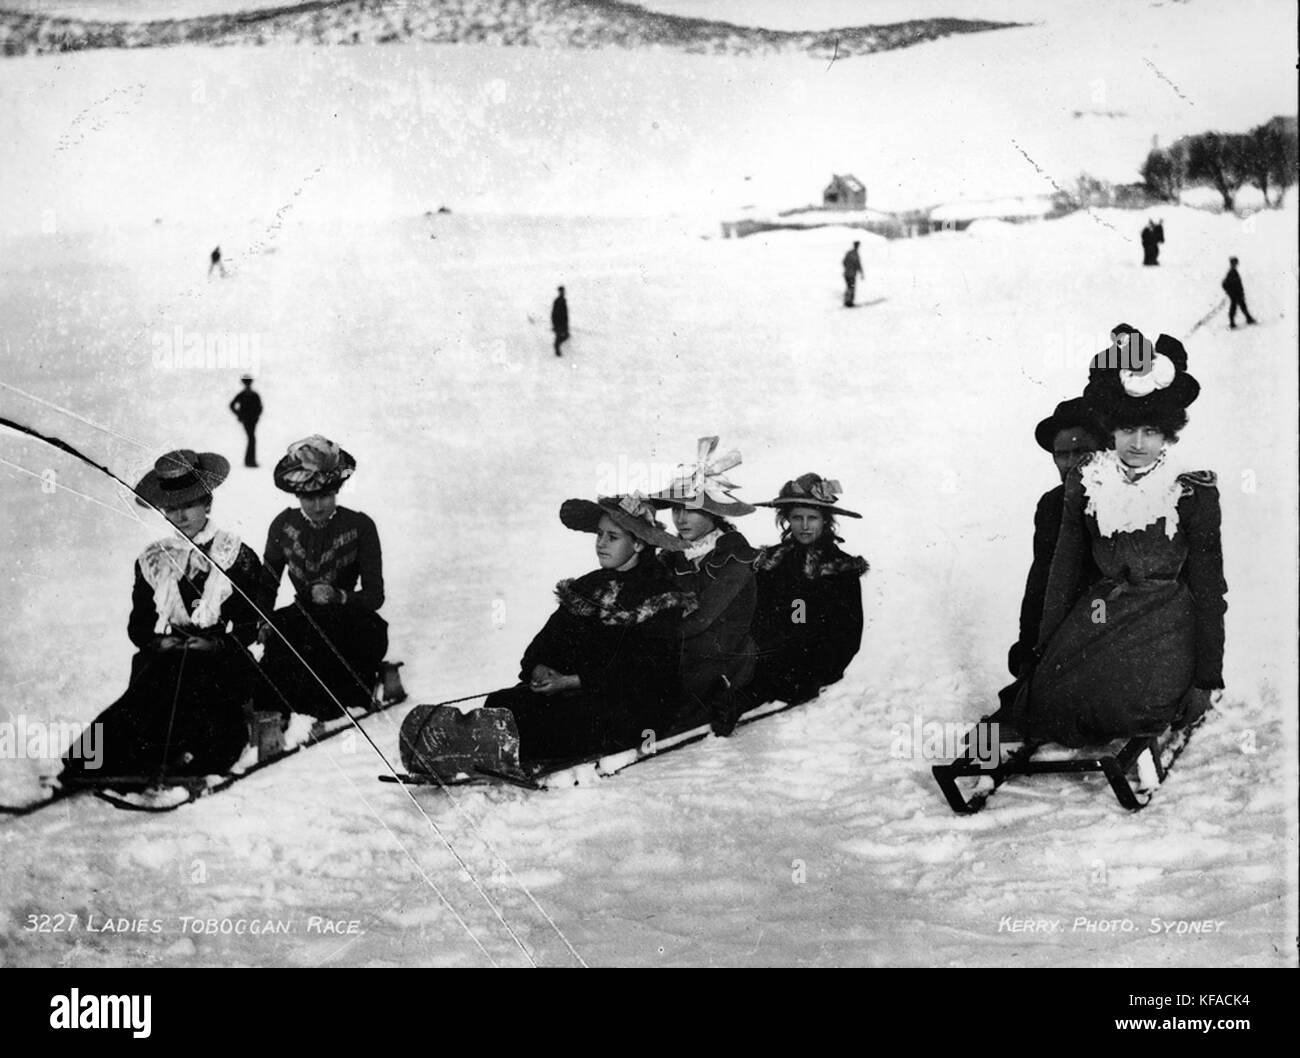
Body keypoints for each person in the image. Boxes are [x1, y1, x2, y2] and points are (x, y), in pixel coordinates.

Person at [1016, 327, 1227, 746]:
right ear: (1111, 432)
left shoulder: (1189, 491)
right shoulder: (1088, 482)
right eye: (1128, 430)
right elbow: (1059, 575)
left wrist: (1206, 678)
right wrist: (1042, 651)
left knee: (1122, 705)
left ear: (1168, 435)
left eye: (1150, 432)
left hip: (1167, 620)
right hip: (1102, 611)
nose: (1137, 443)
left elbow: (1208, 587)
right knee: (1051, 700)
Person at [442, 495, 696, 771]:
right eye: (599, 534)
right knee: (504, 702)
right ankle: (471, 745)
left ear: (638, 543)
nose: (600, 543)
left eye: (612, 537)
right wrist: (539, 667)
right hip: (576, 692)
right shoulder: (589, 586)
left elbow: (643, 672)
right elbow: (549, 639)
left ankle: (485, 751)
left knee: (563, 720)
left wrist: (574, 681)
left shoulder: (659, 594)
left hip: (629, 706)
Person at [60, 450, 263, 786]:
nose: (180, 516)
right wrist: (159, 640)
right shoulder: (154, 559)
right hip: (173, 655)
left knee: (196, 688)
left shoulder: (235, 554)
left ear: (207, 504)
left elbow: (247, 624)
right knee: (147, 691)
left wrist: (213, 643)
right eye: (171, 508)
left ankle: (185, 761)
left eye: (189, 505)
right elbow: (139, 626)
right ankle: (94, 763)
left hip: (222, 660)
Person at [257, 436, 388, 722]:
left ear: (336, 491)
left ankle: (325, 708)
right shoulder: (283, 525)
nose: (317, 506)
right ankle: (283, 715)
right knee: (282, 644)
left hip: (347, 617)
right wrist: (264, 618)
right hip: (303, 617)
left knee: (334, 648)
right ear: (297, 496)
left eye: (325, 496)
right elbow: (268, 581)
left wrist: (339, 596)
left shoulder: (360, 526)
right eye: (308, 497)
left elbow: (374, 596)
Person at [648, 436, 760, 736]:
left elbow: (702, 617)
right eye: (675, 509)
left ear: (713, 511)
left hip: (723, 657)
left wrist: (654, 640)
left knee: (651, 691)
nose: (680, 518)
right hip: (684, 650)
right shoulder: (673, 554)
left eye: (690, 509)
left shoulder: (734, 557)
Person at [1005, 397, 1103, 684]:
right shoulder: (1052, 505)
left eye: (1082, 451)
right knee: (994, 728)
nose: (1071, 464)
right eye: (1062, 454)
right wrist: (1027, 651)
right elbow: (1040, 580)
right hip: (1059, 647)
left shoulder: (1132, 502)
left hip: (1116, 642)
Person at [750, 474, 869, 706]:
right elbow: (759, 617)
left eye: (812, 518)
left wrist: (817, 675)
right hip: (769, 661)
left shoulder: (840, 568)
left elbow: (848, 634)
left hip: (816, 667)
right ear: (787, 520)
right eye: (797, 518)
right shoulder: (771, 562)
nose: (804, 526)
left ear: (825, 521)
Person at [228, 375, 262, 468]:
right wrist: (239, 414)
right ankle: (250, 462)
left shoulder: (252, 395)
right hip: (247, 420)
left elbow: (259, 407)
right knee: (252, 439)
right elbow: (232, 405)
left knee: (251, 439)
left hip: (251, 420)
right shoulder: (244, 394)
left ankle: (250, 461)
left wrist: (255, 416)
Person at [1222, 257, 1256, 328]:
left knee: (1242, 306)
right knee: (1235, 307)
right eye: (1235, 263)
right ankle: (1233, 323)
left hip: (1237, 294)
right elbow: (1225, 284)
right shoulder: (1231, 272)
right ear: (1232, 264)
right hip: (1235, 294)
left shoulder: (1233, 271)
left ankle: (1248, 319)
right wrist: (1230, 292)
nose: (1236, 264)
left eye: (1236, 263)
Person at [842, 241, 864, 306]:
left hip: (846, 273)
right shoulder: (855, 254)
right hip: (851, 274)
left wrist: (847, 267)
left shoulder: (849, 253)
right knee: (851, 287)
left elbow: (844, 262)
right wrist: (861, 273)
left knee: (849, 287)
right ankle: (849, 302)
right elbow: (858, 265)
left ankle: (847, 300)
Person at [551, 285, 570, 357]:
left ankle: (557, 349)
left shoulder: (563, 300)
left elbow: (565, 314)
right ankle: (557, 351)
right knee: (559, 337)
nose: (563, 293)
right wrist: (555, 325)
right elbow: (554, 314)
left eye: (563, 291)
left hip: (563, 324)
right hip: (559, 323)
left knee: (566, 336)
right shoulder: (558, 301)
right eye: (561, 291)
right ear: (559, 292)